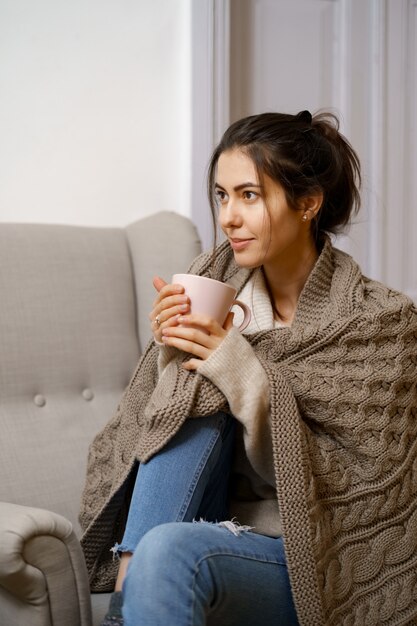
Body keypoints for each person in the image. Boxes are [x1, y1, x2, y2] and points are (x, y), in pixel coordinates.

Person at [79, 110, 417, 626]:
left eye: (249, 195)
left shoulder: (382, 323)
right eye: (221, 195)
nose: (227, 217)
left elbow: (351, 494)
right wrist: (174, 350)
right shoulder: (209, 281)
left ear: (307, 203)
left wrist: (238, 367)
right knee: (190, 384)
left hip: (312, 555)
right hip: (211, 519)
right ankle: (126, 599)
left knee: (167, 550)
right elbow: (154, 429)